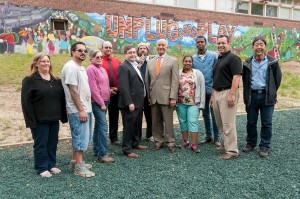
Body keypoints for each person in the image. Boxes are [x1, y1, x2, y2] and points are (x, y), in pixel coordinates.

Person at [21, 52, 67, 177]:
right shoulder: (30, 80)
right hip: (39, 120)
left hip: (54, 118)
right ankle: (41, 168)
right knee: (41, 143)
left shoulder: (56, 80)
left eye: (48, 61)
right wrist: (30, 121)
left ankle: (51, 165)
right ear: (36, 63)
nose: (46, 63)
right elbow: (26, 103)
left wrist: (63, 116)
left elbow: (61, 99)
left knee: (52, 142)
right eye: (43, 61)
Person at [242, 36, 282, 158]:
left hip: (267, 97)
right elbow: (245, 80)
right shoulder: (247, 63)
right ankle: (251, 143)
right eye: (256, 44)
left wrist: (271, 92)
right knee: (251, 122)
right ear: (253, 47)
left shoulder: (272, 62)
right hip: (252, 96)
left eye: (261, 44)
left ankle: (264, 146)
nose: (259, 47)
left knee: (267, 123)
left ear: (265, 47)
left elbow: (277, 80)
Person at [62, 41, 95, 177]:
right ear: (73, 52)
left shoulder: (80, 67)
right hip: (77, 110)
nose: (83, 53)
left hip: (84, 108)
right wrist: (81, 109)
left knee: (83, 137)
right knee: (80, 138)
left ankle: (75, 162)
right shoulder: (71, 67)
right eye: (79, 50)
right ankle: (79, 168)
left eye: (84, 51)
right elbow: (73, 91)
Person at [210, 35, 242, 160]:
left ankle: (232, 151)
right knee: (220, 122)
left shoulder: (233, 58)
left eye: (223, 43)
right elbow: (215, 79)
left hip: (227, 92)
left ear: (229, 43)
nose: (220, 45)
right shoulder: (219, 59)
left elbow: (236, 77)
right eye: (218, 43)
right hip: (217, 93)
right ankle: (226, 144)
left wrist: (232, 94)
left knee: (228, 123)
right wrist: (212, 96)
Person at [145, 39, 179, 153]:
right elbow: (147, 80)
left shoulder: (173, 61)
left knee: (168, 121)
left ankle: (171, 142)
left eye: (163, 45)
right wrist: (149, 96)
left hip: (167, 97)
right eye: (159, 45)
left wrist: (173, 97)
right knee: (155, 121)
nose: (160, 47)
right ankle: (158, 141)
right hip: (153, 96)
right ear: (156, 46)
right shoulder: (150, 62)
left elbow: (175, 80)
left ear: (167, 47)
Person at [117, 44, 148, 158]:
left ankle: (135, 143)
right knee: (129, 126)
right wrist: (129, 102)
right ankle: (127, 149)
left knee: (137, 125)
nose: (132, 54)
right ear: (125, 55)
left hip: (139, 102)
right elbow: (124, 87)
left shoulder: (135, 65)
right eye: (129, 52)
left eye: (134, 52)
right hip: (130, 103)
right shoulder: (123, 67)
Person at [86, 49, 114, 163]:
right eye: (97, 57)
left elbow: (102, 85)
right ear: (91, 58)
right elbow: (93, 88)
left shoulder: (102, 69)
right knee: (103, 127)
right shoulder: (90, 69)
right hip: (98, 103)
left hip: (105, 101)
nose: (99, 59)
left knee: (98, 126)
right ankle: (102, 155)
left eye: (101, 57)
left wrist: (110, 91)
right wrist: (101, 103)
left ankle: (97, 150)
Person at [192, 36, 221, 146]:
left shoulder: (214, 56)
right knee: (205, 114)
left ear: (205, 43)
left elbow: (217, 72)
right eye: (198, 42)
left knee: (214, 114)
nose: (200, 44)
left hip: (212, 90)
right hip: (201, 92)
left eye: (202, 42)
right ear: (196, 44)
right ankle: (209, 136)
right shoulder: (194, 58)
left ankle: (217, 138)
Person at [177, 56, 205, 153]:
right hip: (181, 103)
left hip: (194, 103)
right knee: (183, 122)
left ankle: (193, 144)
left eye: (189, 61)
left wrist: (202, 104)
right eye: (186, 61)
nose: (187, 63)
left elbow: (202, 88)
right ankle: (185, 141)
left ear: (192, 63)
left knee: (193, 122)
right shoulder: (178, 73)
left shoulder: (197, 73)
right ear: (183, 62)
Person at [101, 41, 122, 146]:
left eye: (110, 47)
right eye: (106, 47)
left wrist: (117, 89)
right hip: (103, 94)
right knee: (101, 117)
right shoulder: (99, 61)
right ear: (102, 49)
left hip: (116, 93)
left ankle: (113, 138)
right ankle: (101, 138)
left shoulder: (117, 61)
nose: (108, 49)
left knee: (114, 116)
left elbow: (121, 76)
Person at [136, 42, 153, 142]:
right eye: (140, 48)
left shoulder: (151, 62)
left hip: (148, 93)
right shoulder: (134, 62)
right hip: (138, 94)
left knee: (149, 115)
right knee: (138, 116)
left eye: (144, 48)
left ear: (148, 50)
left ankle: (150, 134)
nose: (142, 50)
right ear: (138, 51)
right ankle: (137, 136)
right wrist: (140, 64)